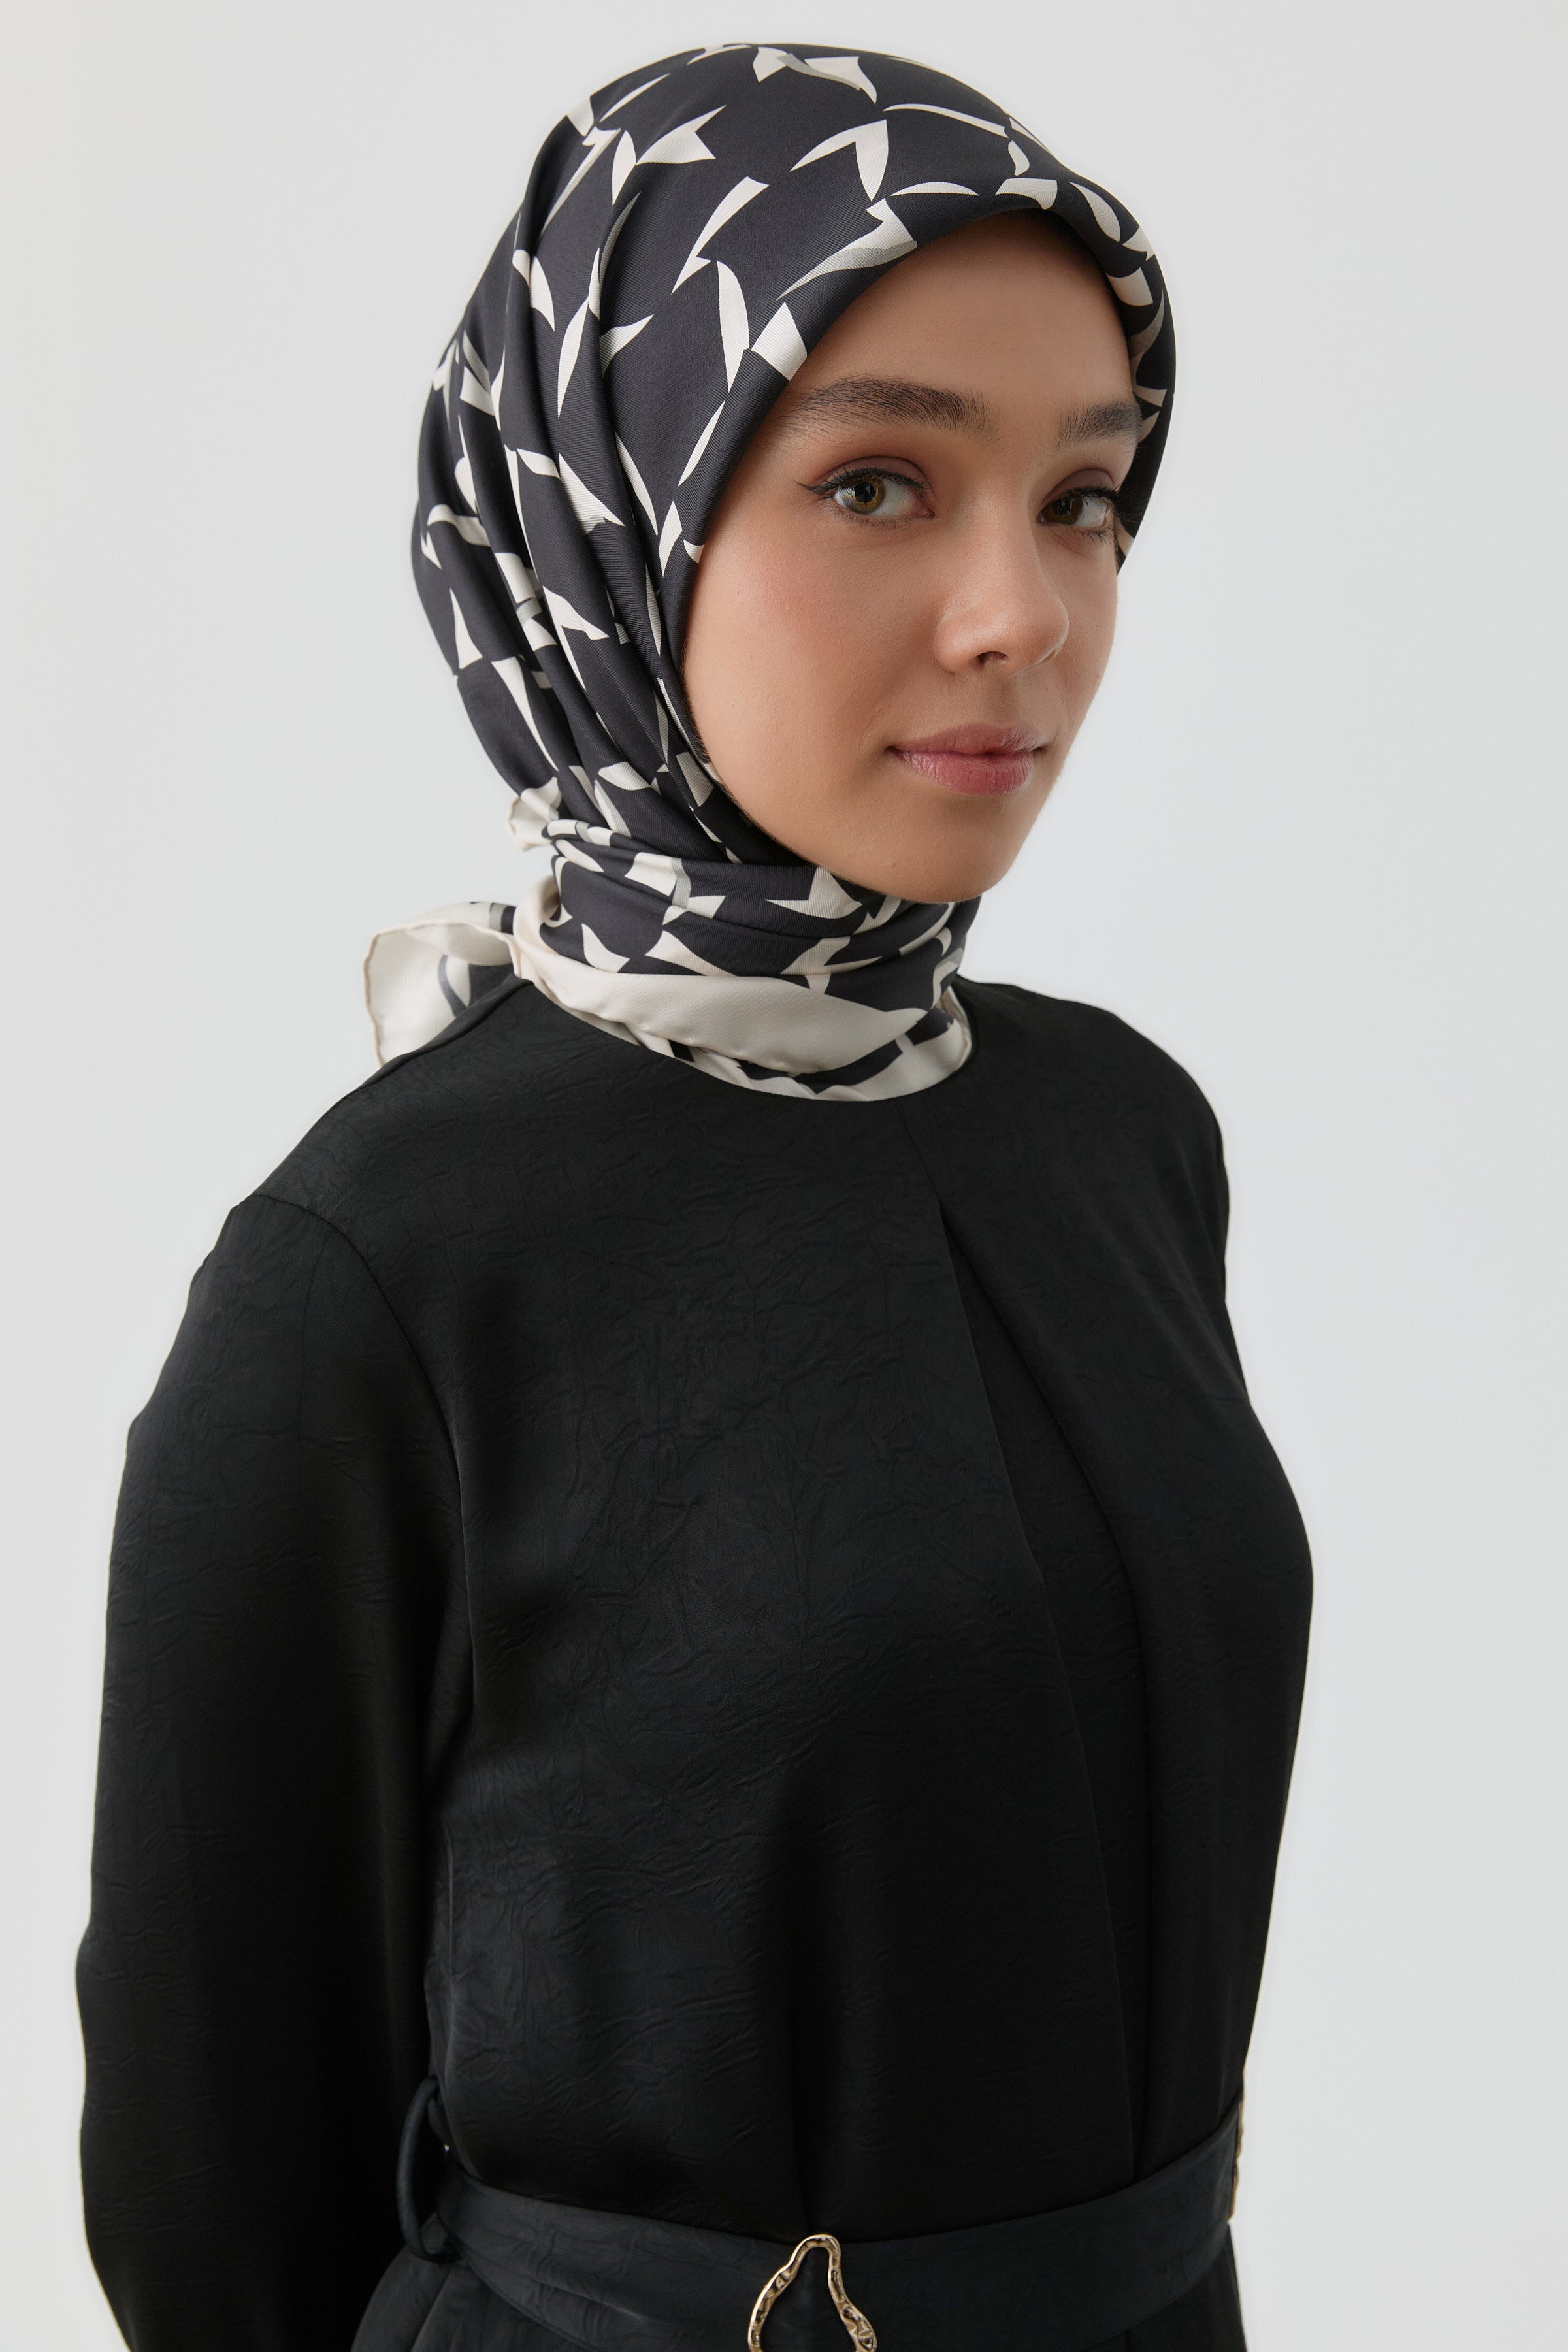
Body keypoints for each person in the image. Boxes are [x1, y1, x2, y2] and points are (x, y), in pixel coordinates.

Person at [78, 43, 1311, 2352]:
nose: (1021, 614)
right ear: (611, 518)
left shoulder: (1124, 1133)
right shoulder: (382, 1265)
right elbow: (215, 2188)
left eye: (1084, 498)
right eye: (876, 482)